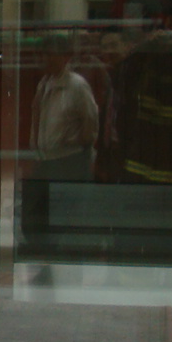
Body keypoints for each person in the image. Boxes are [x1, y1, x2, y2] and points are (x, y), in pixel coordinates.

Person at [22, 31, 100, 245]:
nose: (45, 59)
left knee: (66, 215)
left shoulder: (76, 85)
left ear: (65, 56)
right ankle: (42, 251)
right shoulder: (44, 83)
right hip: (46, 159)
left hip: (69, 160)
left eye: (50, 54)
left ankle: (63, 252)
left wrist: (75, 142)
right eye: (43, 54)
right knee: (35, 214)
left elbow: (90, 121)